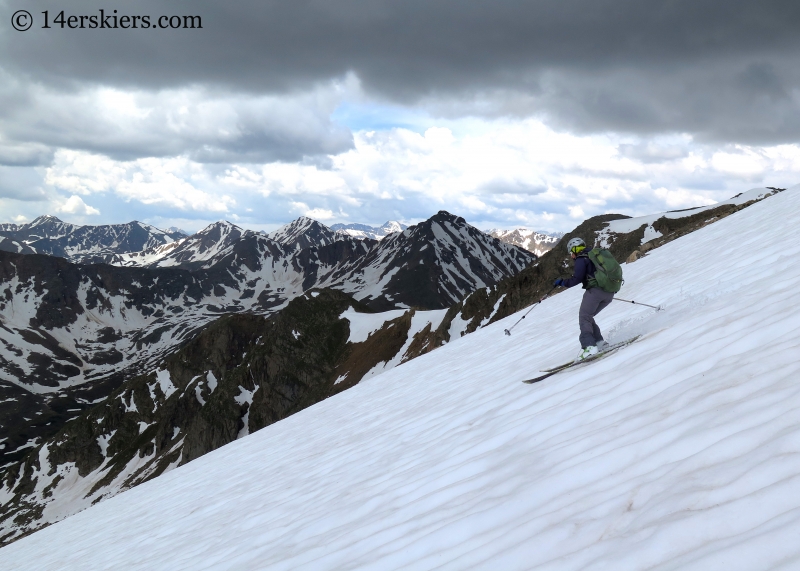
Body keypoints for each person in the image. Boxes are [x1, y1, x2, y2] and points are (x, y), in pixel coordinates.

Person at [553, 237, 614, 361]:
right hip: (609, 292)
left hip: (595, 292)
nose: (571, 256)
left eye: (571, 252)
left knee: (584, 317)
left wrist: (562, 282)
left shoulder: (582, 258)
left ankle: (589, 347)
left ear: (576, 249)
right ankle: (599, 343)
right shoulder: (594, 255)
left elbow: (576, 279)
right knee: (588, 316)